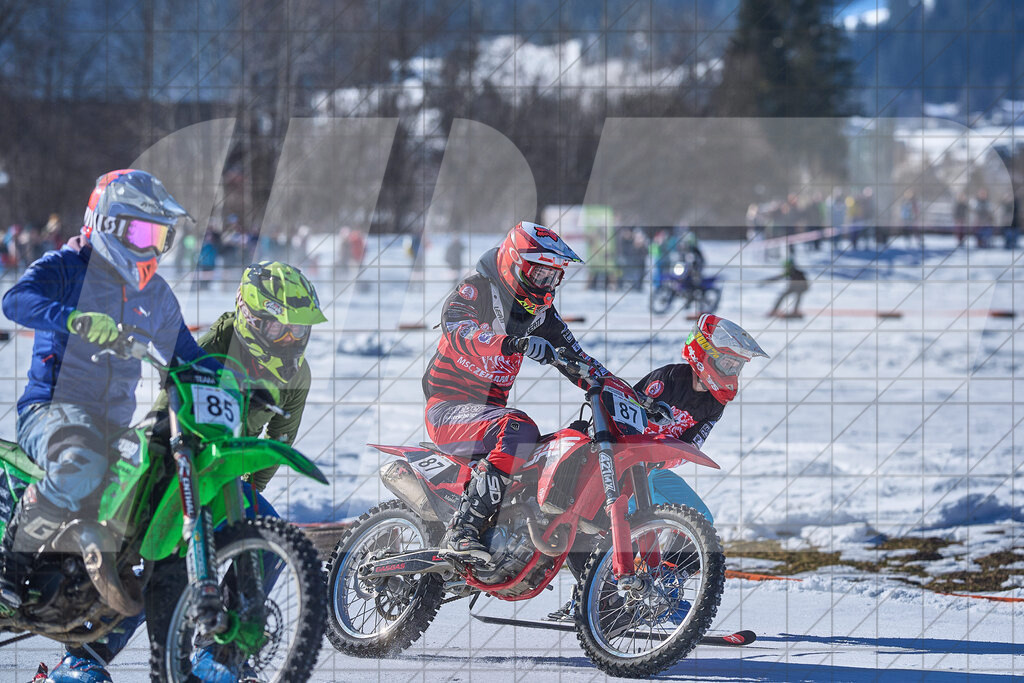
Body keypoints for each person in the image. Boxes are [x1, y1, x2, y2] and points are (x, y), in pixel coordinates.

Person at [42, 261, 328, 682]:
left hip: (222, 478)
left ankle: (220, 655)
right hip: (175, 466)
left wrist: (242, 508)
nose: (289, 340)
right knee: (155, 558)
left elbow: (276, 446)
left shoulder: (297, 375)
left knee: (266, 537)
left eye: (298, 331)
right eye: (279, 329)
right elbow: (166, 415)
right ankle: (82, 657)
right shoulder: (213, 347)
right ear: (251, 318)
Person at [546, 314, 769, 621]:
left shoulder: (715, 404)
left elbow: (691, 447)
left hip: (653, 468)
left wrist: (662, 457)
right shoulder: (668, 379)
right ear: (706, 355)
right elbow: (622, 416)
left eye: (737, 366)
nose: (732, 372)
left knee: (700, 519)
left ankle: (667, 586)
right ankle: (592, 597)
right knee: (610, 529)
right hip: (621, 465)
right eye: (728, 364)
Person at [423, 221, 620, 562]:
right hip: (448, 408)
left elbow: (583, 361)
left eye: (553, 277)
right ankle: (463, 530)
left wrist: (630, 397)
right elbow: (458, 331)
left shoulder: (541, 315)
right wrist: (512, 343)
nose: (546, 285)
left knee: (567, 453)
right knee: (520, 427)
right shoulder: (476, 290)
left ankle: (592, 599)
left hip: (486, 419)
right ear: (513, 264)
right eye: (540, 275)